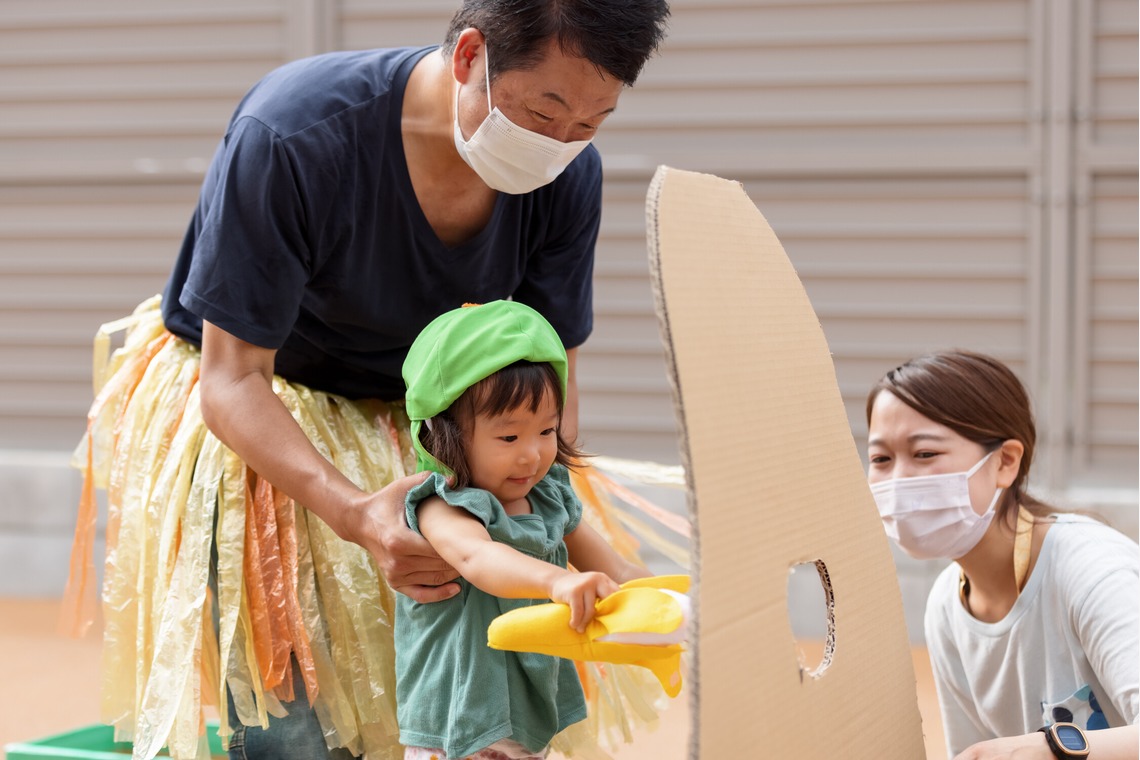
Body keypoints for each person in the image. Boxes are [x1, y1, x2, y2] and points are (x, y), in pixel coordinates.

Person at [62, 2, 671, 759]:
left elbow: (551, 385)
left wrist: (544, 511)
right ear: (470, 56)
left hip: (437, 431)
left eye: (591, 124)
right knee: (302, 731)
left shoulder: (568, 177)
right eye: (542, 112)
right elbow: (231, 379)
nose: (560, 146)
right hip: (272, 418)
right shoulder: (295, 134)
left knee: (455, 707)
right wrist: (354, 512)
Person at [396, 299, 651, 760]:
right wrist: (557, 579)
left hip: (528, 714)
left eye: (547, 431)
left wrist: (671, 599)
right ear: (444, 433)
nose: (531, 454)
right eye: (509, 437)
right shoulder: (443, 505)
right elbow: (479, 559)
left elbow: (613, 569)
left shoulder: (550, 497)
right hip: (460, 723)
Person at [864, 350, 1139, 760]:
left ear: (1005, 462)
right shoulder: (946, 605)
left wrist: (1046, 749)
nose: (899, 480)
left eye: (924, 454)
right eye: (880, 459)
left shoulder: (1093, 568)